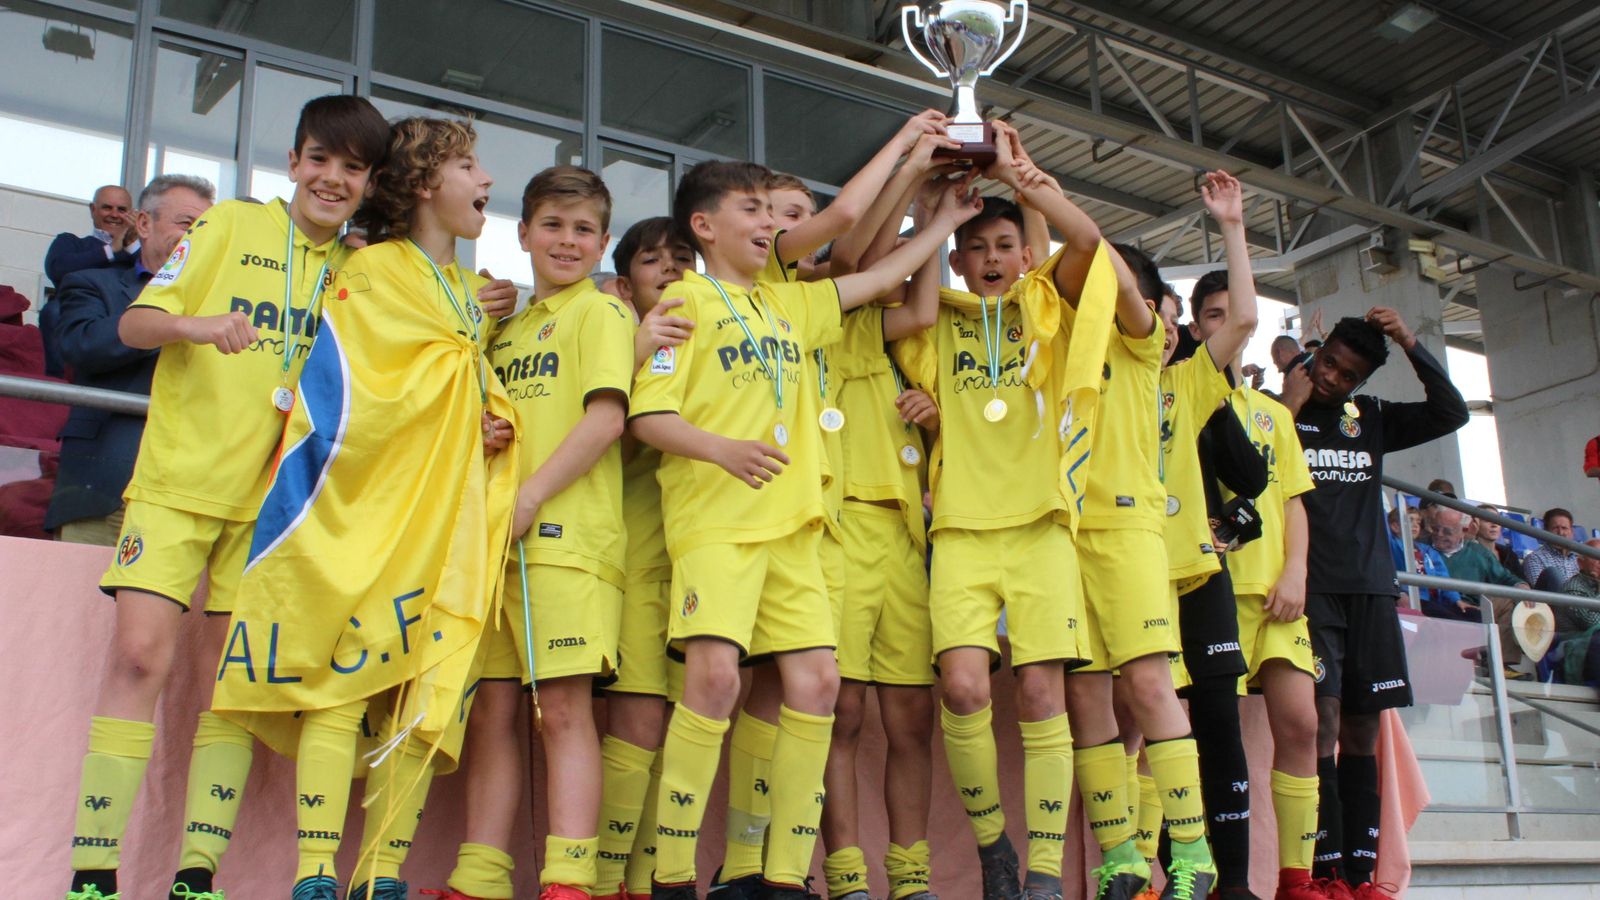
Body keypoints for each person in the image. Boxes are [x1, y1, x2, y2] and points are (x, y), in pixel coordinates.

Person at [61, 96, 392, 900]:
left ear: (370, 183)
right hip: (178, 483)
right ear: (293, 161)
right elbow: (135, 325)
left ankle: (196, 873)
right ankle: (93, 870)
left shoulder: (359, 274)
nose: (332, 179)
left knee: (226, 684)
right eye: (320, 159)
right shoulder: (229, 226)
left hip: (274, 512)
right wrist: (198, 325)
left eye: (352, 168)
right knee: (141, 657)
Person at [629, 159, 978, 900]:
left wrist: (942, 225)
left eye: (771, 213)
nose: (768, 226)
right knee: (717, 680)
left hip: (798, 532)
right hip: (718, 527)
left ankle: (785, 879)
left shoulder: (789, 308)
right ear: (705, 225)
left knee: (818, 686)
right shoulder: (683, 304)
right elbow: (648, 415)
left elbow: (867, 286)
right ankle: (671, 877)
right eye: (752, 211)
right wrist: (721, 449)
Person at [210, 114, 520, 899]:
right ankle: (316, 872)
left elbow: (459, 383)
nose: (487, 181)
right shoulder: (375, 269)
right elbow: (351, 389)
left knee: (426, 689)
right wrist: (456, 390)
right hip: (366, 513)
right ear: (423, 185)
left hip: (441, 523)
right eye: (471, 166)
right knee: (344, 683)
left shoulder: (464, 291)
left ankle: (382, 871)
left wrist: (490, 416)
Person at [703, 111, 953, 900]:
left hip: (897, 535)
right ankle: (826, 871)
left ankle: (906, 876)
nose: (784, 227)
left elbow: (908, 299)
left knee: (906, 721)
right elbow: (848, 239)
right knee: (829, 712)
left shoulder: (849, 316)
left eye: (791, 213)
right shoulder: (779, 299)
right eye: (773, 216)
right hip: (823, 527)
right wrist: (912, 165)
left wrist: (938, 213)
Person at [892, 120, 1115, 900]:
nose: (991, 260)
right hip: (958, 531)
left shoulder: (1046, 311)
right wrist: (930, 211)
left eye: (1005, 247)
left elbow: (1090, 245)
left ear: (1026, 256)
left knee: (1044, 693)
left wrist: (1027, 182)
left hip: (1042, 528)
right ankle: (994, 851)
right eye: (977, 248)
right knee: (961, 689)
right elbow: (908, 289)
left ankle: (1046, 868)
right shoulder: (938, 319)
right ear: (960, 259)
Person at [439, 165, 636, 900]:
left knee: (561, 710)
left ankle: (570, 881)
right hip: (494, 546)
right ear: (521, 234)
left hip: (567, 544)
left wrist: (532, 494)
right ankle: (480, 878)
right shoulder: (505, 329)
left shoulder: (602, 314)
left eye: (583, 229)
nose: (567, 240)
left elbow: (606, 419)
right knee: (490, 711)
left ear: (604, 242)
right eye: (552, 224)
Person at [1279, 310, 1469, 898]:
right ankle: (1323, 868)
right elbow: (1243, 461)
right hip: (1309, 591)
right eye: (1328, 361)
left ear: (1361, 382)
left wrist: (1410, 341)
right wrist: (1288, 403)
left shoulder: (1374, 419)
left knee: (1362, 728)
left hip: (1371, 590)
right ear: (1319, 352)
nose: (1331, 376)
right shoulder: (1279, 407)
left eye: (1346, 373)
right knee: (1322, 723)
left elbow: (1452, 412)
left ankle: (1361, 875)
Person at [1153, 171, 1263, 900]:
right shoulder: (1084, 384)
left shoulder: (1190, 379)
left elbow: (1246, 321)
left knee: (1218, 726)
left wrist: (1231, 226)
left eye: (1168, 316)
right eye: (1144, 313)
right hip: (1125, 578)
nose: (1157, 327)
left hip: (1201, 577)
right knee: (1144, 730)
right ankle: (1152, 872)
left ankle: (1232, 884)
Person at [593, 215, 699, 900]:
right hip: (631, 549)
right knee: (639, 719)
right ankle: (602, 881)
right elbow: (603, 432)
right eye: (652, 259)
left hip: (700, 552)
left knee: (684, 721)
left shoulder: (714, 332)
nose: (668, 269)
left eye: (681, 258)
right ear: (626, 279)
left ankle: (646, 881)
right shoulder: (613, 331)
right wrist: (634, 347)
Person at [45, 175, 213, 546]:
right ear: (143, 224)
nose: (196, 235)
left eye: (206, 227)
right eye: (187, 223)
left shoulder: (220, 303)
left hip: (186, 496)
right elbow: (80, 345)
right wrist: (174, 325)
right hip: (101, 489)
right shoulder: (91, 282)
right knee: (79, 604)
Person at [1219, 335, 1323, 899]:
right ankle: (1190, 873)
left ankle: (1295, 879)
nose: (1224, 328)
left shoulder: (1272, 415)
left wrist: (1295, 572)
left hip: (1278, 595)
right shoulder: (1187, 399)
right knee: (1204, 734)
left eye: (1227, 316)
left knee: (1302, 725)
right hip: (1214, 590)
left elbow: (1292, 500)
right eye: (1211, 318)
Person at [40, 185, 138, 377]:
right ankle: (58, 386)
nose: (114, 214)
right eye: (107, 207)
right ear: (93, 210)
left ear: (133, 215)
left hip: (122, 316)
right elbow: (58, 269)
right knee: (52, 311)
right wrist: (110, 251)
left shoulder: (139, 253)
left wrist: (133, 243)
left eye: (122, 210)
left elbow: (159, 274)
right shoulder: (71, 242)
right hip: (75, 312)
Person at [1432, 508, 1532, 672]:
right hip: (1442, 604)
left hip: (1475, 605)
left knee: (1508, 600)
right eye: (1436, 528)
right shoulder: (1423, 548)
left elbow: (1504, 577)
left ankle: (1501, 666)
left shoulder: (1477, 552)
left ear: (1463, 530)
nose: (1439, 534)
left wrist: (1521, 586)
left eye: (1447, 531)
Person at [1386, 507, 1460, 619]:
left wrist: (1456, 600)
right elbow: (1389, 572)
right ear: (1395, 526)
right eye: (1410, 520)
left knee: (1472, 615)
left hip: (1435, 601)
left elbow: (1443, 577)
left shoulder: (1428, 551)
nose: (1415, 525)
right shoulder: (1391, 546)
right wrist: (1400, 592)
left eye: (1418, 522)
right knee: (1451, 620)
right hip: (1415, 599)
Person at [1554, 540, 1600, 684]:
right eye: (1595, 557)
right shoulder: (1573, 588)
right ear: (1580, 563)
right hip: (1571, 649)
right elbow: (1594, 624)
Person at [1523, 507, 1581, 592]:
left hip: (1579, 601)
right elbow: (1541, 591)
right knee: (1552, 573)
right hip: (1550, 603)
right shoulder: (1535, 558)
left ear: (1572, 532)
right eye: (1555, 528)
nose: (1560, 533)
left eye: (1564, 528)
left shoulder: (1578, 559)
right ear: (1546, 531)